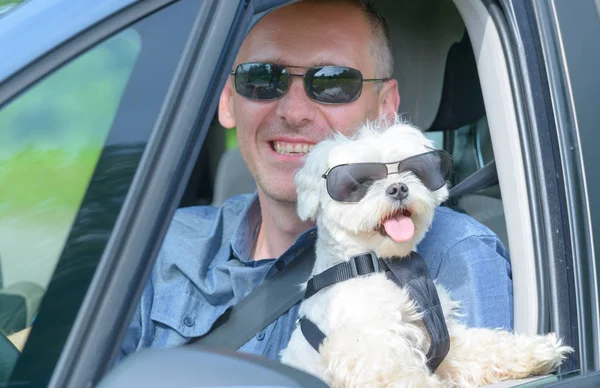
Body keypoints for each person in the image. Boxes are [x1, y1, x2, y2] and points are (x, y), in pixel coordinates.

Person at [118, 0, 513, 362]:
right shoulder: (164, 246)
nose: (293, 111)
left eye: (332, 83)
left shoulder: (453, 256)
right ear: (227, 101)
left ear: (387, 108)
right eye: (262, 78)